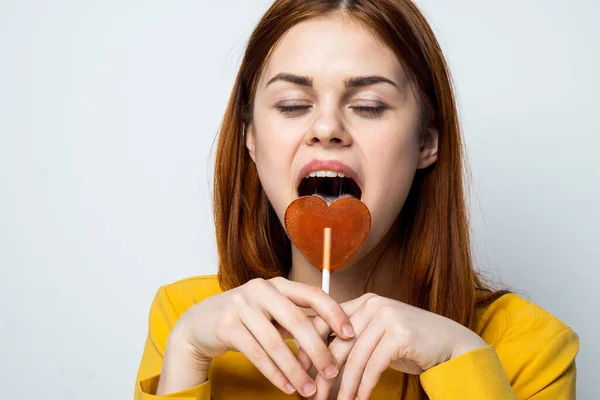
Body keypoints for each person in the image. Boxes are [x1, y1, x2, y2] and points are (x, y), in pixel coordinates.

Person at [134, 1, 579, 399]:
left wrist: (459, 359)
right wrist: (187, 357)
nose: (327, 127)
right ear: (250, 138)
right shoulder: (187, 323)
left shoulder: (530, 348)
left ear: (426, 141)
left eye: (368, 105)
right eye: (292, 104)